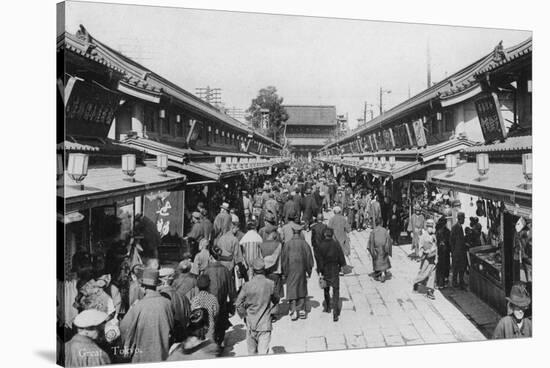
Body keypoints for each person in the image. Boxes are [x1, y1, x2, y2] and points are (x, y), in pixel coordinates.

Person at [120, 268, 174, 363]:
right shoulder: (167, 303)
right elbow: (171, 327)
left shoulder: (138, 306)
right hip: (163, 356)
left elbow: (124, 327)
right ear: (157, 285)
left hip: (142, 358)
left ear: (143, 287)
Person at [235, 258, 280, 355]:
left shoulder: (247, 285)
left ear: (253, 270)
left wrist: (244, 315)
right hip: (265, 324)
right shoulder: (270, 284)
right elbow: (276, 299)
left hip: (250, 325)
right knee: (263, 355)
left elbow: (238, 303)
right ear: (264, 269)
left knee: (251, 354)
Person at [202, 250, 236, 347]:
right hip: (222, 303)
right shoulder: (226, 270)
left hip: (209, 304)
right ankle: (220, 342)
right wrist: (233, 306)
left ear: (211, 258)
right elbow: (232, 290)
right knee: (221, 323)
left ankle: (212, 344)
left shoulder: (206, 270)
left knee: (211, 324)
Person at [281, 227, 314, 320]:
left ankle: (293, 310)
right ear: (300, 233)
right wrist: (308, 270)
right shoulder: (304, 244)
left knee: (291, 288)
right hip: (301, 269)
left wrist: (284, 271)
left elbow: (284, 259)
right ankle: (302, 309)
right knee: (301, 287)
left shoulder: (287, 244)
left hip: (291, 270)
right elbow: (309, 257)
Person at [317, 228, 347, 321]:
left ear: (325, 235)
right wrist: (342, 265)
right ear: (332, 235)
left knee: (326, 288)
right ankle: (335, 313)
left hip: (325, 269)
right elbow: (341, 257)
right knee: (336, 289)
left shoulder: (321, 245)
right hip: (334, 269)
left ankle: (327, 307)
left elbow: (319, 260)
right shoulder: (336, 244)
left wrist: (320, 270)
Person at [158, 268, 191, 344]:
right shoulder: (183, 296)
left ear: (164, 281)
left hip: (166, 339)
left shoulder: (160, 296)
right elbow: (188, 315)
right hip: (181, 338)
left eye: (159, 280)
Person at [260, 231, 284, 321]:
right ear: (275, 237)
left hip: (264, 271)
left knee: (266, 292)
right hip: (275, 272)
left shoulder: (261, 245)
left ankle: (266, 312)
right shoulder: (279, 244)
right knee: (275, 292)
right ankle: (273, 313)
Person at [413, 219, 438, 300]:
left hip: (433, 257)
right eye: (429, 227)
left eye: (432, 226)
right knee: (423, 273)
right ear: (427, 227)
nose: (431, 228)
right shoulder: (423, 236)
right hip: (426, 258)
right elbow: (420, 247)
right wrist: (424, 252)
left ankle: (430, 290)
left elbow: (436, 246)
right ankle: (416, 283)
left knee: (432, 274)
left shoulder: (434, 235)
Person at [190, 274, 220, 342]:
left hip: (197, 329)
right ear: (209, 285)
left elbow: (192, 311)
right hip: (210, 328)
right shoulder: (213, 298)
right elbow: (216, 313)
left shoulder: (194, 299)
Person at [368, 218, 393, 282]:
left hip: (376, 248)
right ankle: (383, 272)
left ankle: (380, 273)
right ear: (381, 223)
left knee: (377, 260)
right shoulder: (384, 230)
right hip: (384, 248)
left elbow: (371, 242)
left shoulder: (373, 231)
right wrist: (387, 248)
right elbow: (389, 240)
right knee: (384, 260)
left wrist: (371, 249)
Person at [450, 212, 467, 289]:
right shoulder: (455, 227)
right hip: (456, 252)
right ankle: (454, 282)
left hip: (461, 252)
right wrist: (453, 251)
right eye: (463, 218)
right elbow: (452, 240)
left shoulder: (460, 227)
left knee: (461, 267)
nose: (464, 220)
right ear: (460, 218)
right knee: (456, 268)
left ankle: (461, 281)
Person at [435, 216, 451, 289]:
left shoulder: (437, 231)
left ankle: (440, 283)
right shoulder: (447, 231)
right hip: (445, 252)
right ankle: (444, 282)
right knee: (444, 267)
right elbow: (449, 242)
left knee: (440, 267)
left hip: (441, 252)